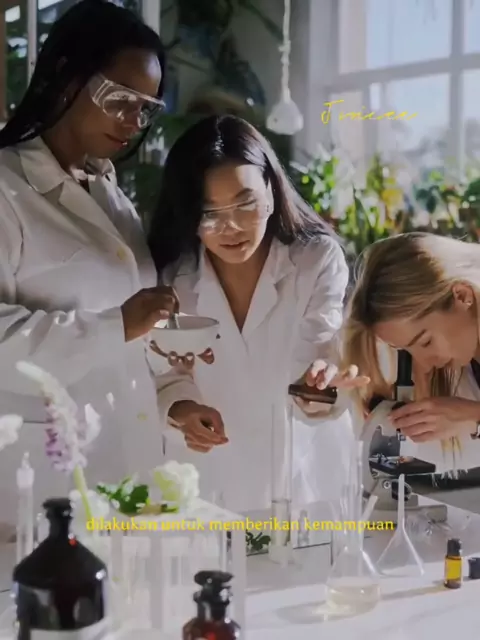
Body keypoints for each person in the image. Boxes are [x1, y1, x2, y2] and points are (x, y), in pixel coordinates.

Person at [0, 0, 220, 525]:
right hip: (38, 484)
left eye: (145, 108)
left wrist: (177, 399)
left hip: (127, 471)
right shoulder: (7, 188)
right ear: (64, 76)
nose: (132, 121)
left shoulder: (111, 195)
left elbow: (131, 347)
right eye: (119, 99)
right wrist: (118, 323)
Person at [148, 114, 366, 514]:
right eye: (209, 213)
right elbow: (167, 373)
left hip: (304, 477)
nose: (231, 227)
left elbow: (320, 351)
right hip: (210, 476)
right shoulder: (173, 278)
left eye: (246, 203)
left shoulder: (315, 260)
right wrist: (182, 409)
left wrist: (319, 386)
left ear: (271, 189)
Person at [343, 231, 480, 473]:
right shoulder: (463, 359)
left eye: (426, 342)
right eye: (407, 349)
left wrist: (473, 417)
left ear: (462, 296)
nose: (424, 362)